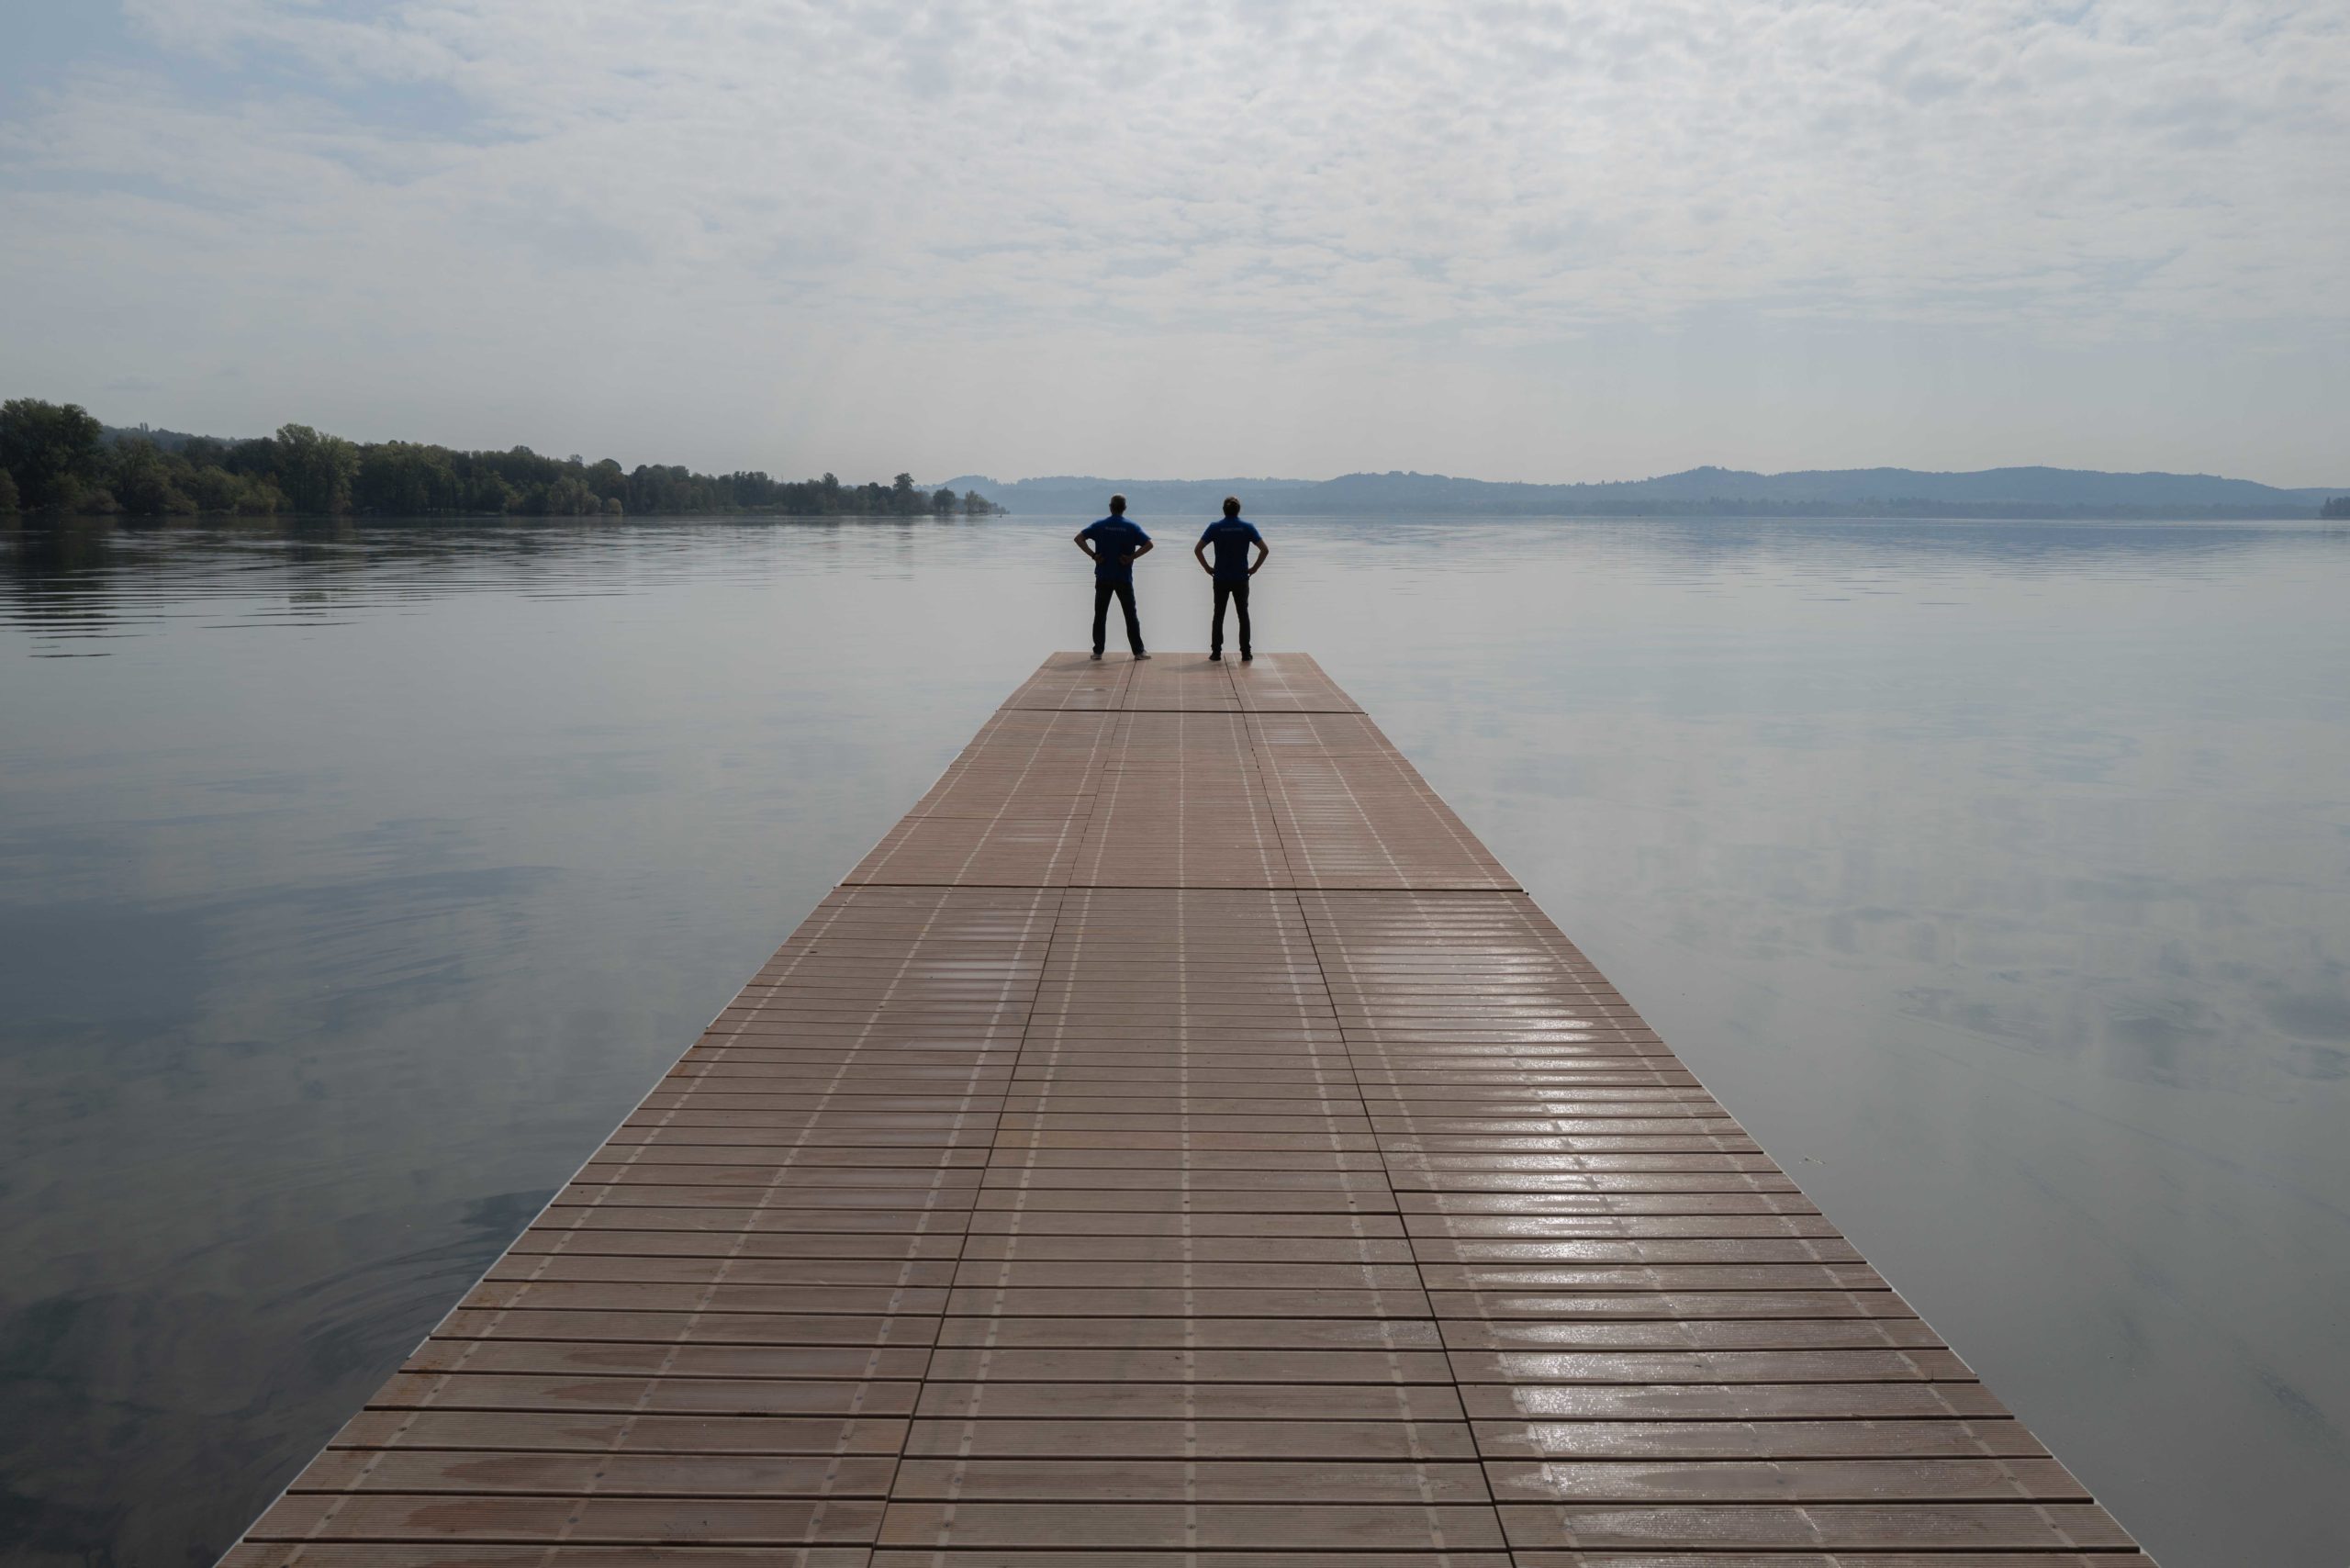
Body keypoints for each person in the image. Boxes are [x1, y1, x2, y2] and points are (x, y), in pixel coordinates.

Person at [1075, 495, 1152, 659]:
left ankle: (1098, 652)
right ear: (1125, 508)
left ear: (1110, 507)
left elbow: (1078, 538)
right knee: (1130, 615)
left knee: (1100, 615)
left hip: (1103, 577)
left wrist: (1093, 555)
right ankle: (1138, 652)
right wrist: (1132, 557)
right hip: (1123, 578)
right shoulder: (1131, 527)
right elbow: (1149, 544)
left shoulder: (1099, 525)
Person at [1192, 496, 1269, 661]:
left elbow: (1197, 549)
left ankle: (1216, 652)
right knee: (1243, 615)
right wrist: (1254, 569)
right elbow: (1264, 550)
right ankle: (1246, 653)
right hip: (1241, 578)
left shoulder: (1215, 527)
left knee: (1218, 615)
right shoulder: (1247, 527)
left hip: (1220, 578)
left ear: (1224, 510)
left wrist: (1207, 568)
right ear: (1238, 510)